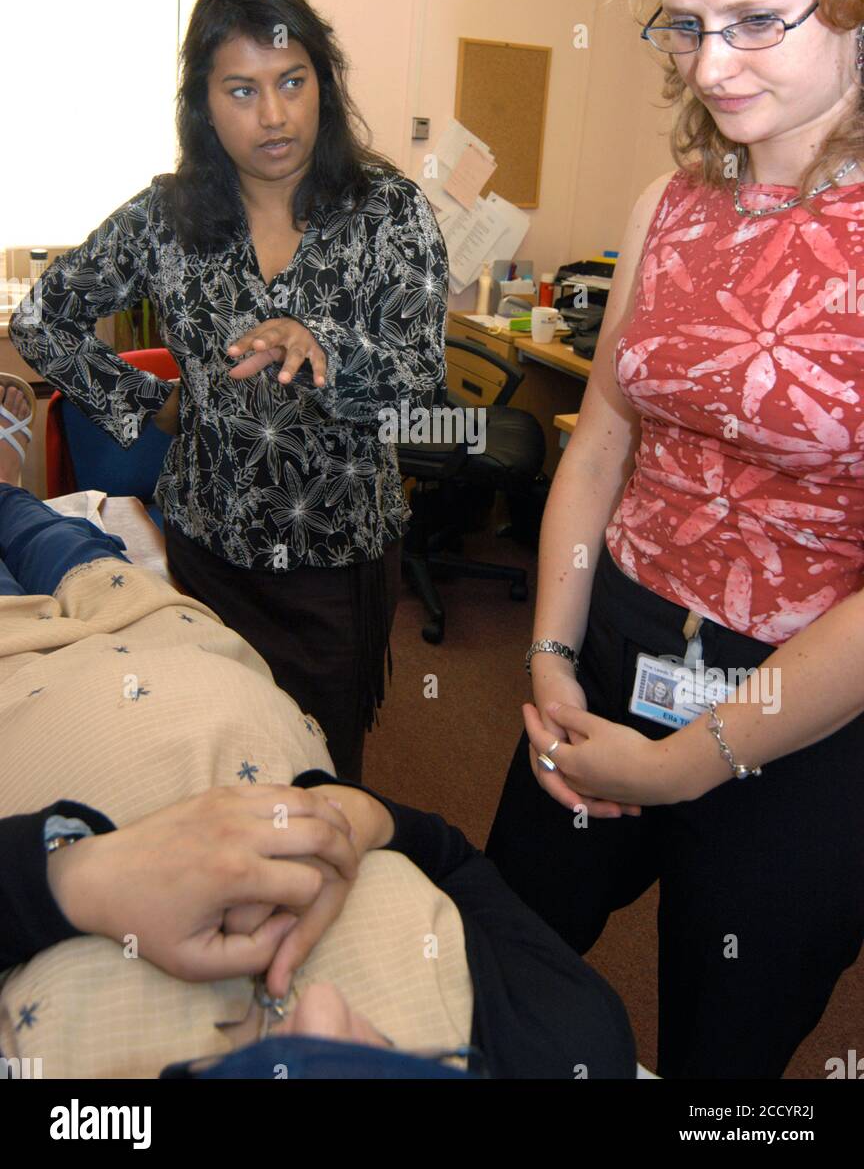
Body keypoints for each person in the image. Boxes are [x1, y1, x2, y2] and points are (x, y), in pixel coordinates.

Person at [486, 0, 864, 1080]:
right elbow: (598, 441)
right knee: (502, 957)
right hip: (617, 637)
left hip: (802, 698)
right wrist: (547, 651)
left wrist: (693, 763)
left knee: (726, 1054)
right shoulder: (670, 203)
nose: (709, 65)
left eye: (758, 19)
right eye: (685, 22)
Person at [0, 380, 635, 1080]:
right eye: (389, 1062)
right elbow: (452, 860)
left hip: (17, 691)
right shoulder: (573, 1046)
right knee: (61, 540)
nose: (321, 1004)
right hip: (181, 646)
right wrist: (357, 815)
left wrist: (74, 875)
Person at [8, 0, 449, 780]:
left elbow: (421, 384)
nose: (275, 115)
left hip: (337, 555)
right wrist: (158, 401)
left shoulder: (388, 212)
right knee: (216, 756)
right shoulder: (165, 219)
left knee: (318, 769)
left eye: (293, 81)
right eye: (241, 90)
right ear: (203, 106)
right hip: (210, 549)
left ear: (324, 80)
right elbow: (42, 320)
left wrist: (326, 356)